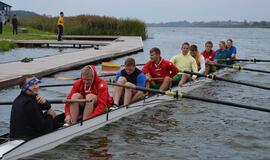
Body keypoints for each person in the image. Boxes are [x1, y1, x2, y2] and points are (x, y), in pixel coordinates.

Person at [10, 75, 57, 139]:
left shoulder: (18, 99)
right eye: (31, 84)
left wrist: (45, 102)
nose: (36, 87)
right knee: (51, 113)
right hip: (29, 138)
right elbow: (42, 129)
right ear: (23, 87)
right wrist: (50, 116)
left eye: (36, 83)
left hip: (15, 135)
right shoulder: (30, 103)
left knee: (49, 113)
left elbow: (47, 107)